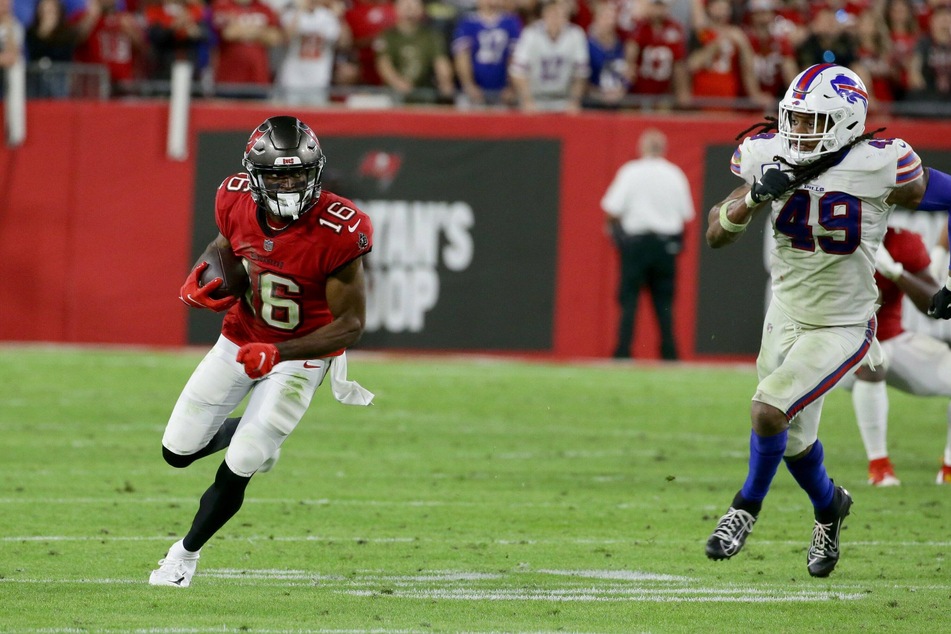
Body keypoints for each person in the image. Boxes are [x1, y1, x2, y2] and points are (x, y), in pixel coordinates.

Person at [705, 63, 951, 577]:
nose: (797, 132)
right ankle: (829, 507)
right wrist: (752, 198)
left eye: (813, 121)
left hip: (844, 323)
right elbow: (715, 235)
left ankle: (744, 508)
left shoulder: (881, 163)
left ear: (846, 120)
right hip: (786, 315)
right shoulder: (767, 152)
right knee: (792, 440)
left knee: (768, 410)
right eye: (793, 118)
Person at [148, 116, 375, 588]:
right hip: (240, 335)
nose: (288, 184)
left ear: (315, 172)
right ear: (255, 175)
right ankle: (251, 432)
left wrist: (278, 353)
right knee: (177, 452)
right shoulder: (232, 197)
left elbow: (350, 325)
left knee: (247, 455)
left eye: (297, 173)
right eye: (276, 175)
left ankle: (182, 557)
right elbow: (227, 245)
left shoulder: (340, 228)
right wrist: (207, 273)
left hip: (302, 352)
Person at [837, 226, 951, 486]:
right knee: (872, 363)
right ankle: (879, 467)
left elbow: (935, 306)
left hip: (891, 337)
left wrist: (896, 272)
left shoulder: (902, 240)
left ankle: (949, 468)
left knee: (877, 358)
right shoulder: (833, 234)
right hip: (839, 339)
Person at [601, 128, 694, 360]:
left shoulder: (631, 172)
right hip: (665, 246)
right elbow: (685, 215)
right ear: (663, 149)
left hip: (636, 245)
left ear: (642, 148)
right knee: (664, 304)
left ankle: (623, 352)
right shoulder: (675, 174)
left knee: (629, 301)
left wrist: (615, 233)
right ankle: (669, 354)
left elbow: (612, 210)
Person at [508, 0, 589, 112]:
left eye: (559, 14)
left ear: (566, 16)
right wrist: (527, 100)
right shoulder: (530, 34)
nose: (555, 18)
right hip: (535, 98)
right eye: (551, 13)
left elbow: (581, 73)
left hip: (564, 99)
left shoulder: (576, 35)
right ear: (543, 15)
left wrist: (574, 101)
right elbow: (517, 71)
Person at [373, 0, 455, 104]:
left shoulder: (432, 36)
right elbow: (384, 64)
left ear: (422, 9)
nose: (409, 8)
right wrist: (398, 83)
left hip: (423, 92)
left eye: (414, 4)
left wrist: (446, 81)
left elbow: (441, 62)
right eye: (405, 4)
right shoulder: (387, 36)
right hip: (393, 95)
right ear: (396, 8)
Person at [450, 0, 522, 108]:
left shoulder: (511, 22)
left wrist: (511, 86)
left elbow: (514, 56)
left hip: (502, 92)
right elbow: (462, 56)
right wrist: (469, 85)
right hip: (473, 93)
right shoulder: (467, 22)